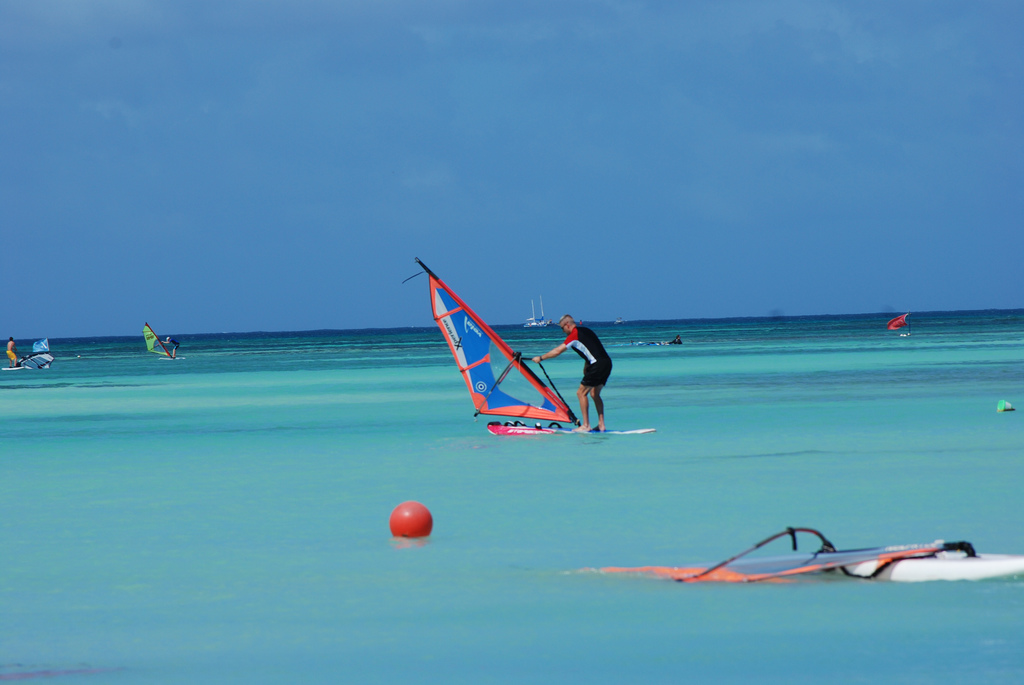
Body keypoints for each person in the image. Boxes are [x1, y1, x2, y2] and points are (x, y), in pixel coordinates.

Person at [532, 315, 612, 432]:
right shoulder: (586, 330)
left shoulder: (574, 335)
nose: (563, 331)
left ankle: (586, 425)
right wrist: (587, 367)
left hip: (597, 365)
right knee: (594, 394)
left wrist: (541, 357)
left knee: (581, 393)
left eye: (562, 328)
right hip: (607, 363)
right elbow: (592, 349)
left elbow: (558, 351)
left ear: (567, 325)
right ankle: (601, 425)